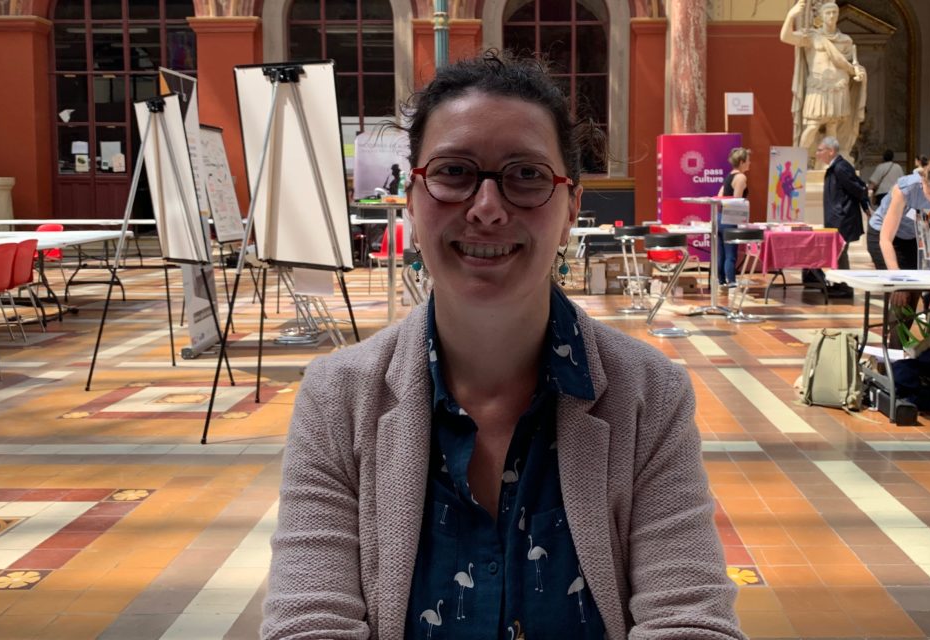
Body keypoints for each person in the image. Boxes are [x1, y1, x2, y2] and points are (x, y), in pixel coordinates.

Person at [262, 52, 747, 640]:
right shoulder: (338, 399)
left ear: (570, 207)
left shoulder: (648, 396)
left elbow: (688, 618)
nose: (487, 209)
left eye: (526, 175)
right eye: (453, 172)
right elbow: (309, 623)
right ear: (412, 199)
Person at [867, 154, 930, 342]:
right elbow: (885, 239)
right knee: (900, 293)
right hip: (883, 235)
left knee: (916, 291)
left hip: (914, 237)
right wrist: (897, 281)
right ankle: (892, 351)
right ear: (923, 181)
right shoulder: (906, 189)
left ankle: (908, 346)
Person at [780, 0, 867, 159]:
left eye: (835, 13)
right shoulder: (811, 36)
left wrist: (859, 72)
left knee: (832, 127)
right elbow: (785, 37)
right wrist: (791, 16)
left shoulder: (845, 40)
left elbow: (851, 64)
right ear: (821, 16)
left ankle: (829, 163)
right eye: (828, 13)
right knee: (812, 126)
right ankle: (797, 159)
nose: (832, 16)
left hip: (838, 87)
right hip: (818, 87)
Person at [811, 136, 867, 297]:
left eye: (820, 150)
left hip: (843, 219)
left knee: (841, 253)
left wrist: (865, 206)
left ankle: (845, 288)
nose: (817, 153)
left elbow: (858, 188)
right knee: (837, 253)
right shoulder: (836, 167)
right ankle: (839, 284)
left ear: (831, 151)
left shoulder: (841, 167)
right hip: (837, 218)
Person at [718, 147, 751, 286]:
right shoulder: (741, 177)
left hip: (720, 217)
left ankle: (720, 280)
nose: (750, 163)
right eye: (748, 160)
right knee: (731, 254)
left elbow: (720, 196)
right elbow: (736, 201)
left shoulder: (729, 176)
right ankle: (731, 281)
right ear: (742, 162)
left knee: (721, 253)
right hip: (730, 219)